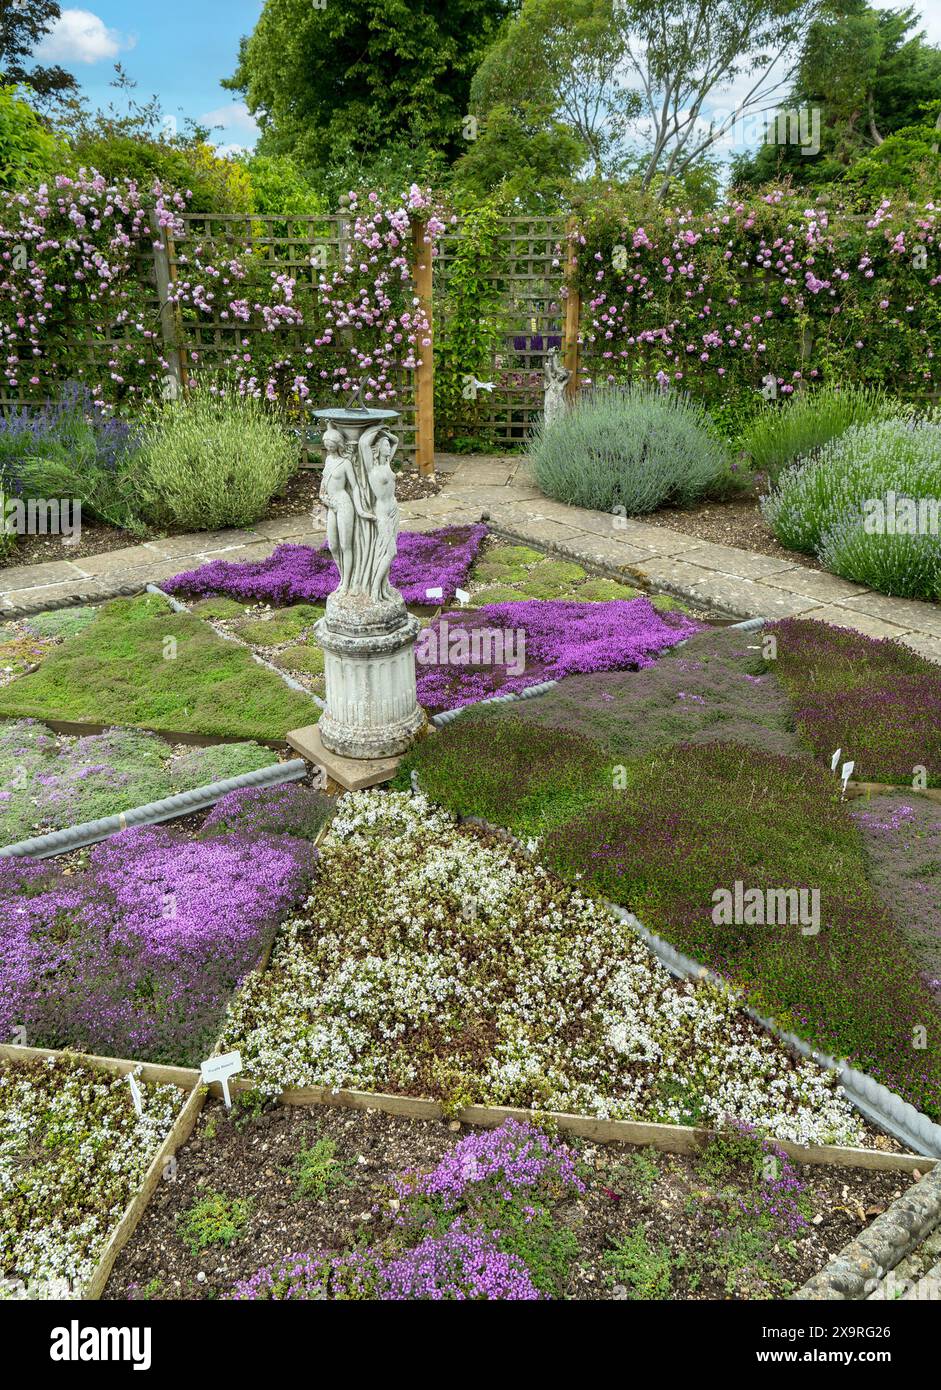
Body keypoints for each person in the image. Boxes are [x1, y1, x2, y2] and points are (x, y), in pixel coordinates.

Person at [319, 426, 374, 592]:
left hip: (344, 504)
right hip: (331, 505)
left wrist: (360, 509)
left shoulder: (346, 463)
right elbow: (324, 483)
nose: (328, 447)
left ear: (338, 444)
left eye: (331, 444)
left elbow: (355, 487)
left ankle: (347, 583)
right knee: (333, 546)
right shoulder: (328, 460)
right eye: (326, 444)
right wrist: (322, 496)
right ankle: (343, 577)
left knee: (345, 545)